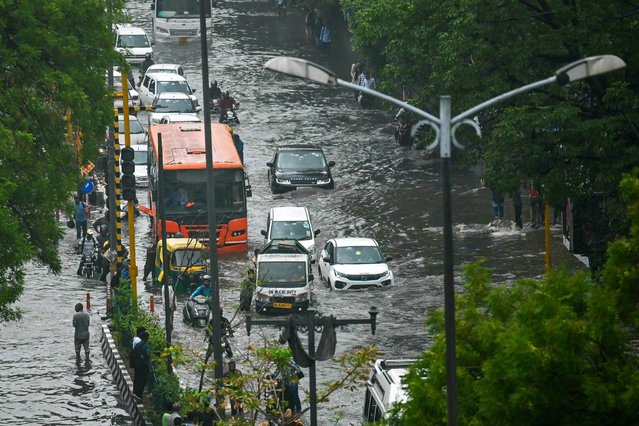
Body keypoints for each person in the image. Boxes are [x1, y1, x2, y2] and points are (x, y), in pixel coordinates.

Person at [132, 330, 151, 399]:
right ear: (145, 338)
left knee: (136, 378)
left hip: (137, 365)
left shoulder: (137, 345)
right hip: (144, 366)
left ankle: (134, 392)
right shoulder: (146, 346)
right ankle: (139, 395)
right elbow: (148, 355)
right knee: (142, 381)